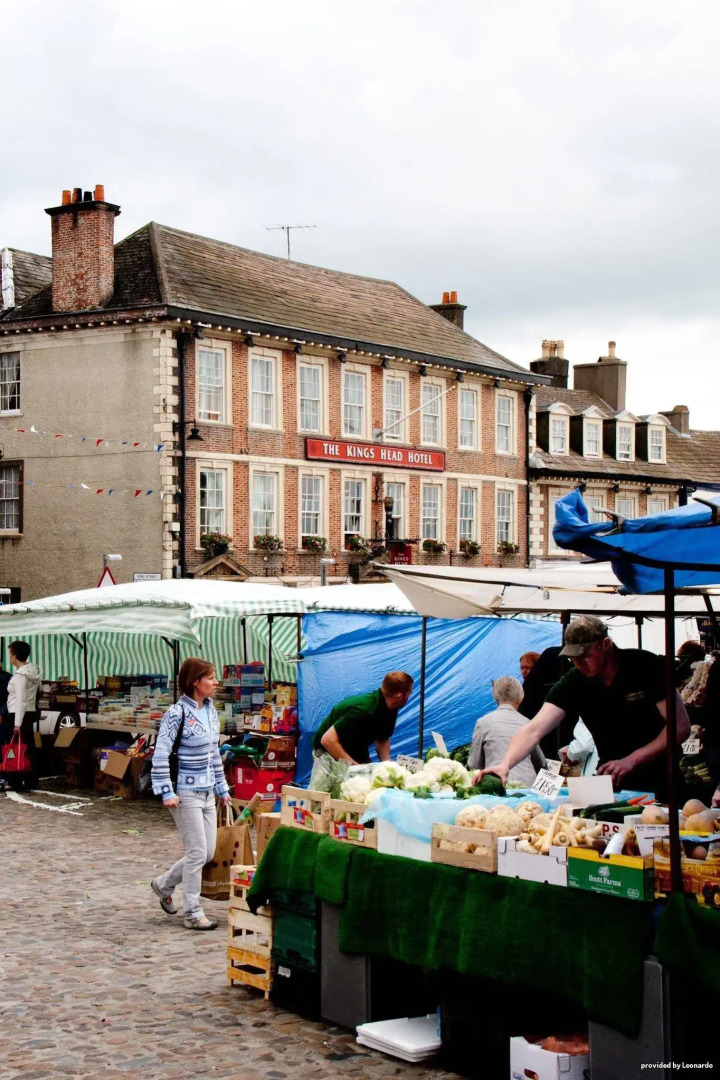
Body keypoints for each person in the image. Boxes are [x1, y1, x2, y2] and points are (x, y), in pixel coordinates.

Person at [475, 615, 690, 799]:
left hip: (662, 781)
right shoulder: (576, 680)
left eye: (585, 656)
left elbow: (680, 727)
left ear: (606, 644)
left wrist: (631, 760)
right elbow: (533, 729)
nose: (578, 664)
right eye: (573, 658)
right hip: (612, 784)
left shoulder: (645, 666)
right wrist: (505, 764)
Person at [150, 657, 230, 931]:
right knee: (197, 852)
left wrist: (222, 789)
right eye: (210, 677)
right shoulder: (176, 713)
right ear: (196, 681)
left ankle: (163, 885)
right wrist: (166, 791)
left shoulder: (211, 712)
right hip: (185, 794)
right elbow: (160, 753)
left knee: (206, 853)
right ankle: (193, 912)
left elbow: (214, 755)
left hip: (208, 794)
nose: (216, 682)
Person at [310, 671, 413, 786]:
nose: (410, 696)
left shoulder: (391, 708)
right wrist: (355, 767)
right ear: (400, 696)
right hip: (327, 751)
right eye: (409, 693)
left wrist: (387, 766)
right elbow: (328, 740)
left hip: (356, 747)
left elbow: (382, 739)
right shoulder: (364, 710)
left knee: (366, 784)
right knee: (332, 790)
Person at [467, 676, 546, 785]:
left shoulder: (483, 722)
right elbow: (541, 763)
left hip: (498, 785)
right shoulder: (528, 723)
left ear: (495, 696)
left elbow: (474, 764)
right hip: (528, 787)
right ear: (520, 697)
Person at [2, 641, 42, 789]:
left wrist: (16, 724)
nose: (10, 658)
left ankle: (14, 780)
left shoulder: (20, 676)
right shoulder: (33, 671)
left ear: (15, 656)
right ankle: (31, 779)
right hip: (29, 711)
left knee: (15, 747)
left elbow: (20, 700)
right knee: (27, 747)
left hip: (17, 714)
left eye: (11, 654)